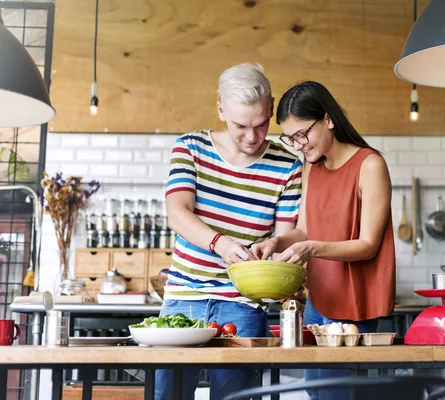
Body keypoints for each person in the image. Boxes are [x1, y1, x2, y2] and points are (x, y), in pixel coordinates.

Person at [156, 63, 303, 400]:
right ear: (221, 108)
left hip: (244, 305)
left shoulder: (288, 166)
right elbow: (177, 213)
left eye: (262, 124)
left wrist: (278, 255)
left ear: (271, 107)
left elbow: (283, 239)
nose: (252, 137)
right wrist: (220, 244)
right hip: (183, 300)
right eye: (241, 126)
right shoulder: (190, 147)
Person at [250, 81, 396, 400]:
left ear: (328, 119)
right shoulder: (311, 168)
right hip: (318, 303)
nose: (298, 144)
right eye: (290, 138)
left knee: (336, 396)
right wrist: (276, 243)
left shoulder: (370, 165)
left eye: (302, 133)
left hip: (355, 306)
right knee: (317, 396)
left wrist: (313, 247)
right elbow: (304, 229)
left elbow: (368, 244)